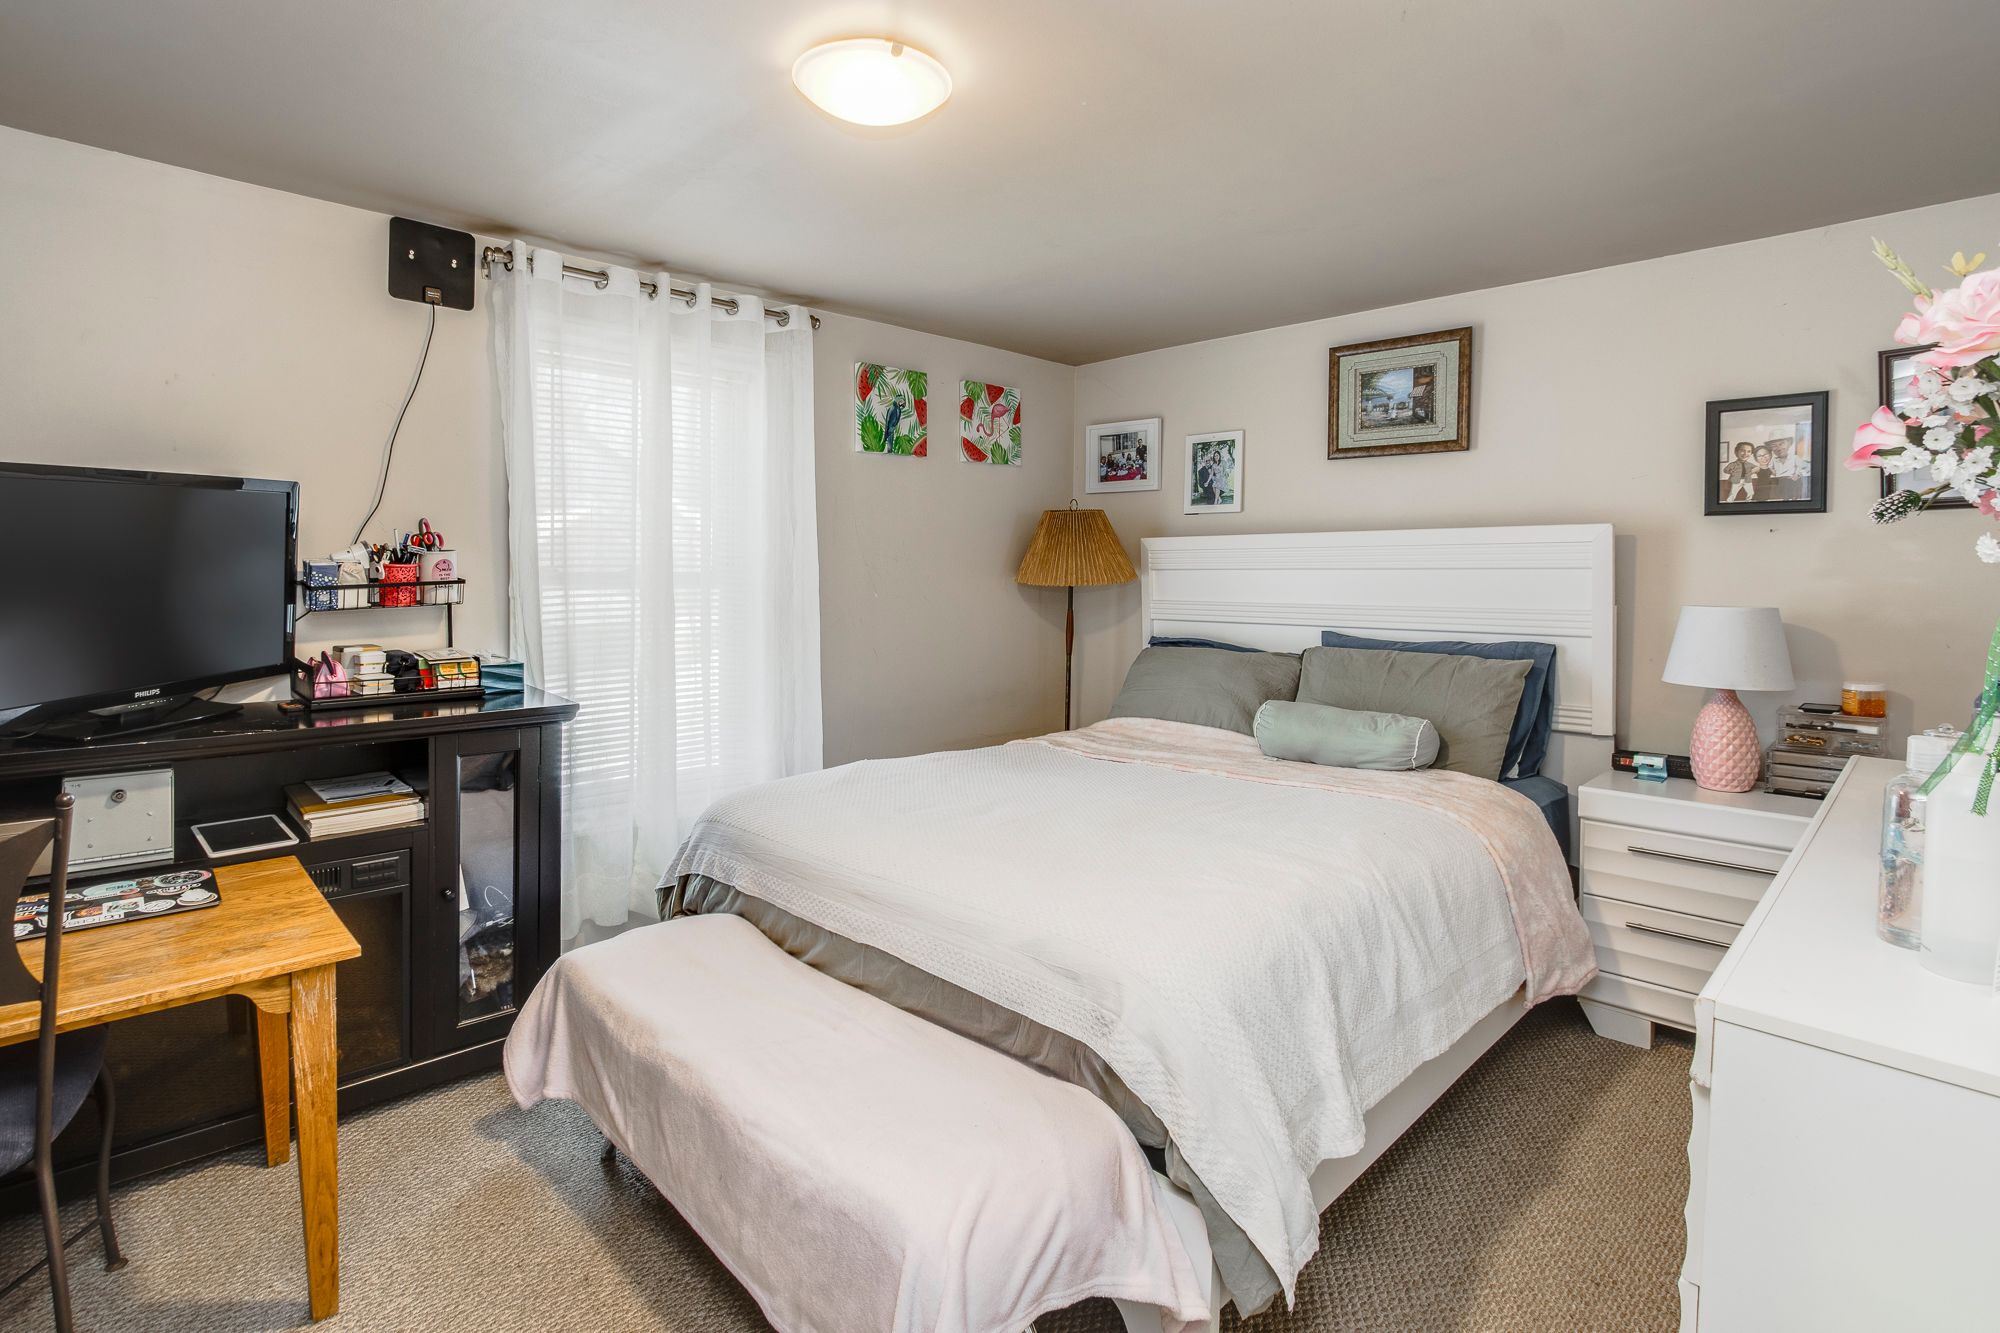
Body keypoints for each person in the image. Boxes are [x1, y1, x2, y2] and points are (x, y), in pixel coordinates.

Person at [1766, 436, 1801, 501]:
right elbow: (1769, 467)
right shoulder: (1773, 459)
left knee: (1791, 496)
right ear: (1771, 448)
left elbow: (1800, 467)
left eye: (1781, 444)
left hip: (1791, 480)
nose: (1779, 448)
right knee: (1781, 496)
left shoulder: (1794, 457)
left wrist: (1797, 474)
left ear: (1789, 444)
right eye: (1774, 446)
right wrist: (1774, 473)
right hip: (1779, 481)